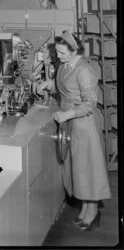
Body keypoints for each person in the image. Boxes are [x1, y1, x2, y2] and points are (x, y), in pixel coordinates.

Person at [37, 30, 111, 231]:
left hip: (84, 124)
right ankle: (86, 208)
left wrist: (67, 115)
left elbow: (90, 103)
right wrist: (48, 84)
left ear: (74, 50)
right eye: (57, 53)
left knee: (88, 168)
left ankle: (93, 211)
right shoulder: (65, 65)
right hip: (72, 124)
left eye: (61, 53)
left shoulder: (84, 70)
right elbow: (65, 86)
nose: (58, 56)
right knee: (79, 169)